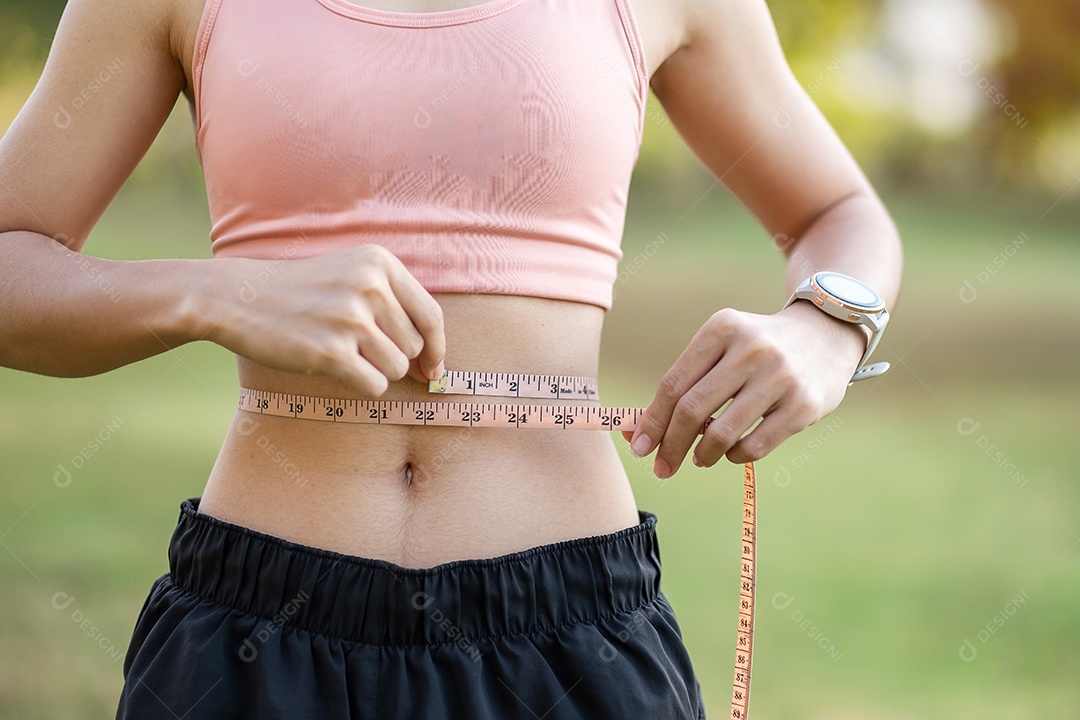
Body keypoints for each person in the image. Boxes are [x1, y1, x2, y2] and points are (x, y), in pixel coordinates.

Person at [0, 0, 902, 717]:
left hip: (570, 639)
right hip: (255, 633)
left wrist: (825, 326)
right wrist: (217, 295)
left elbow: (835, 212)